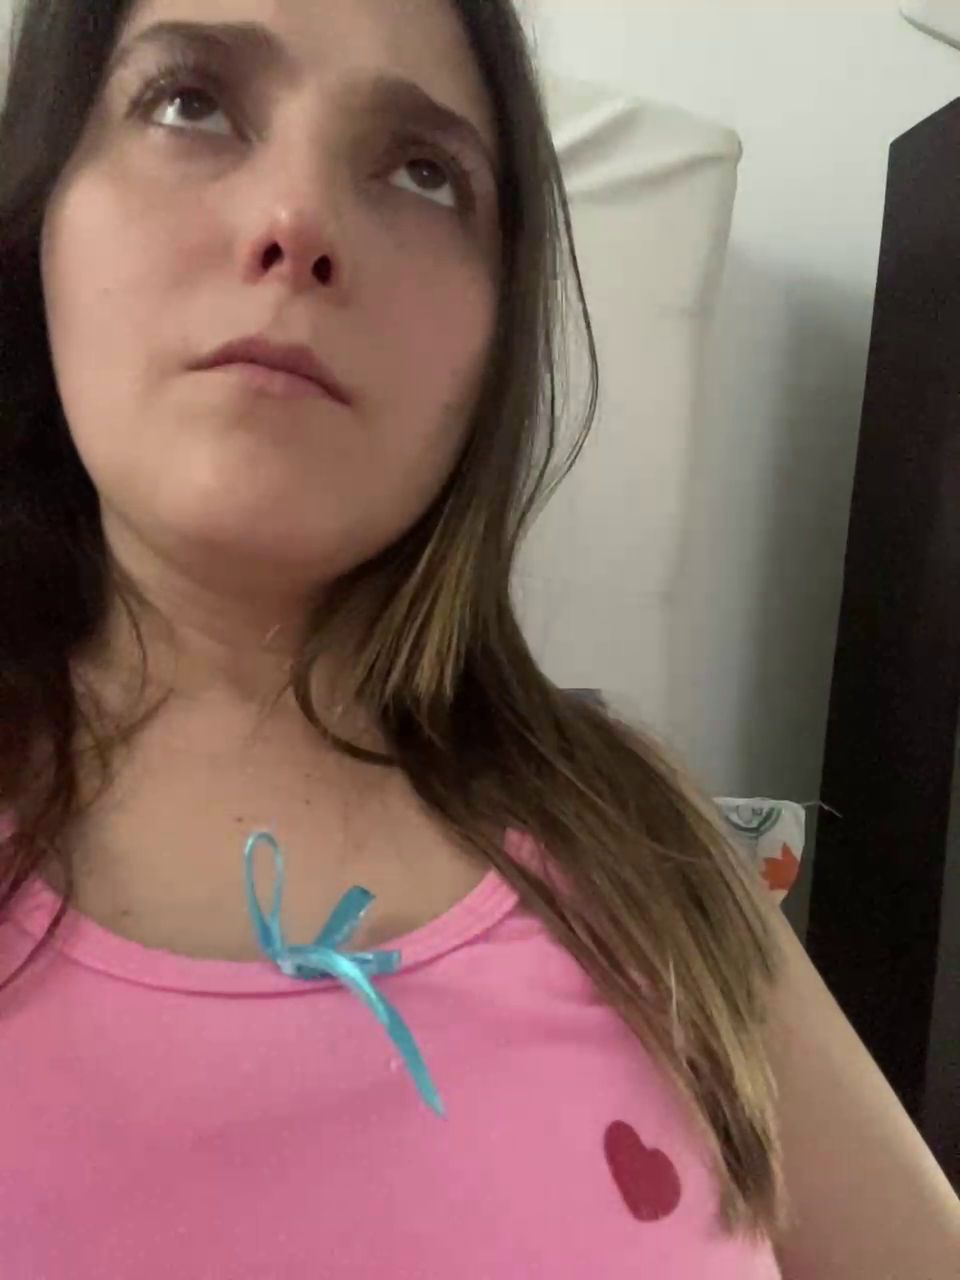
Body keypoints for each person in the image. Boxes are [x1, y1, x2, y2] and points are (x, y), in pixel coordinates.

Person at [0, 0, 956, 1275]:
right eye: (190, 101)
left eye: (422, 171)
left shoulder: (639, 838)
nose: (299, 220)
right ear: (42, 217)